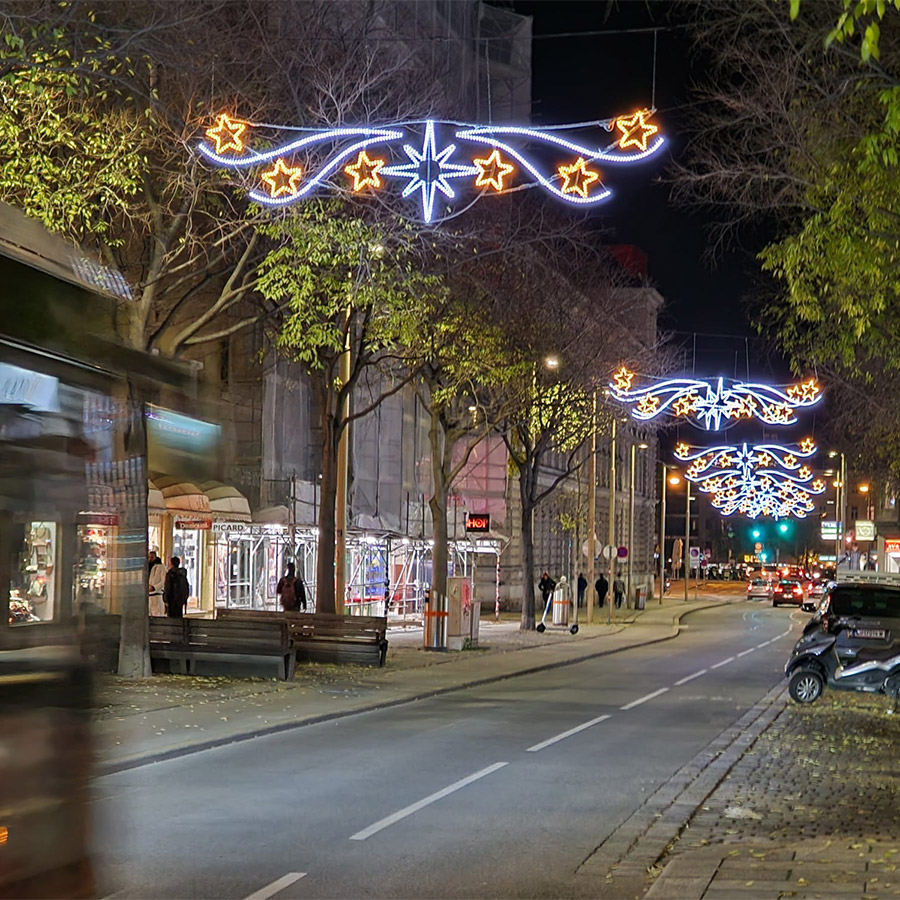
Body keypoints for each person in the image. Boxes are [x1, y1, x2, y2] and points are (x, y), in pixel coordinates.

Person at [148, 550, 165, 617]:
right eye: (149, 557)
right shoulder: (146, 567)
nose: (150, 559)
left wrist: (154, 587)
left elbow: (164, 581)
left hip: (156, 595)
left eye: (151, 557)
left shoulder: (161, 567)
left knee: (157, 616)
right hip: (148, 597)